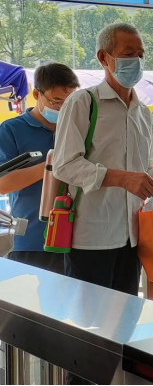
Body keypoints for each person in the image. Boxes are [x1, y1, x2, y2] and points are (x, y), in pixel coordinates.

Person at [53, 22, 153, 296]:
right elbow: (65, 165)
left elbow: (145, 171)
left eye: (140, 54)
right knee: (89, 319)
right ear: (104, 58)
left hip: (132, 237)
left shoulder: (143, 113)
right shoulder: (83, 103)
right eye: (128, 53)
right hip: (90, 240)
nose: (136, 61)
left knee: (124, 316)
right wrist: (122, 179)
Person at [0, 64, 80, 273]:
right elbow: (3, 184)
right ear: (37, 94)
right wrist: (52, 166)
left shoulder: (79, 129)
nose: (63, 108)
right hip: (33, 241)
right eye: (56, 101)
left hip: (79, 241)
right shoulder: (11, 130)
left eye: (70, 102)